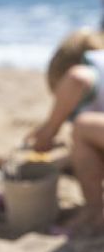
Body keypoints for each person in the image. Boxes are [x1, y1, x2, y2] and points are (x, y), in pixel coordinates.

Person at [26, 28, 104, 235]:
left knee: (82, 125)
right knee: (84, 138)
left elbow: (77, 79)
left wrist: (49, 130)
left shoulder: (91, 66)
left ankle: (96, 211)